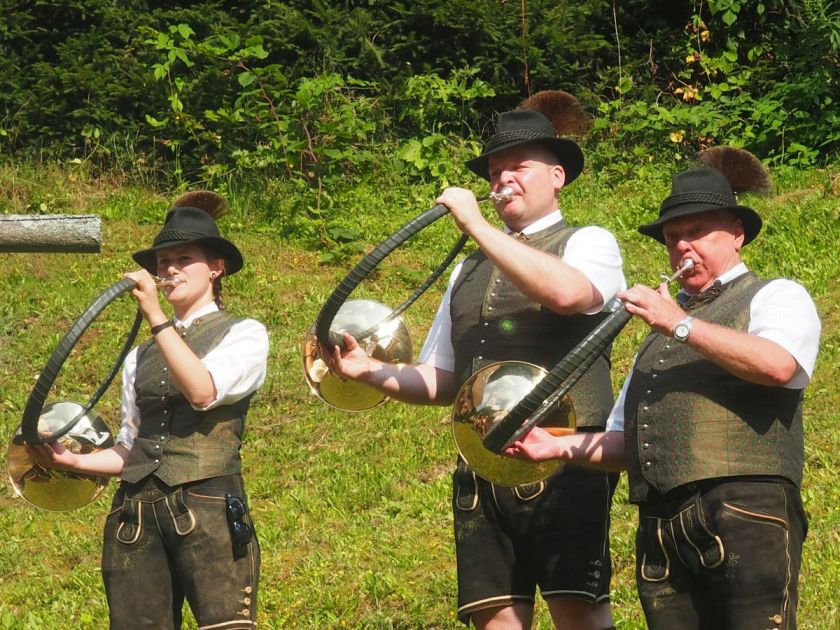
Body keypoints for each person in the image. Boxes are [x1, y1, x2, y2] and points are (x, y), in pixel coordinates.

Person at [322, 91, 626, 629]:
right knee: (495, 617)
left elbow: (570, 295)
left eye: (518, 167)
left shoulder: (589, 241)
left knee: (577, 610)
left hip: (564, 456)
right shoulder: (467, 270)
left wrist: (478, 228)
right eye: (494, 171)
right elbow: (443, 379)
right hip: (482, 458)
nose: (503, 178)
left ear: (557, 176)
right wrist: (367, 371)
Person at [507, 150, 821, 630]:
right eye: (673, 238)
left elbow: (778, 365)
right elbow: (625, 440)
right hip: (662, 525)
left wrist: (679, 323)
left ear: (737, 234)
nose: (683, 247)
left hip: (745, 511)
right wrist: (556, 445)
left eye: (698, 232)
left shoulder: (777, 294)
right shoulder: (658, 335)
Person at [28, 191, 269, 629]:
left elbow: (203, 391)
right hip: (136, 514)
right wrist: (71, 461)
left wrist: (157, 317)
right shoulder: (140, 356)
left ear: (216, 268)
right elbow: (130, 447)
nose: (170, 270)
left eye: (183, 259)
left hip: (208, 508)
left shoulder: (245, 333)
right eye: (163, 262)